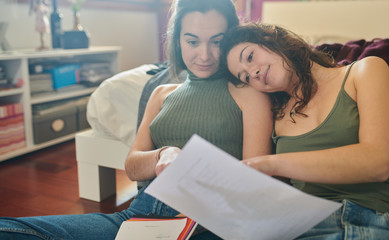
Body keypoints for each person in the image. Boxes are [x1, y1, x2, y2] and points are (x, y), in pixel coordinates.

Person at [0, 1, 273, 239]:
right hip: (143, 214)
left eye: (217, 41)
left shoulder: (249, 94)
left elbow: (253, 181)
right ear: (178, 40)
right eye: (192, 41)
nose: (204, 55)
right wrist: (164, 155)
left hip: (211, 222)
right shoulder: (160, 93)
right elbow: (132, 166)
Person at [221, 22, 389, 239]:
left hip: (379, 220)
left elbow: (378, 163)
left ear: (272, 40)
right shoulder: (276, 119)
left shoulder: (364, 71)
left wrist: (269, 164)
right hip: (305, 227)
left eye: (249, 57)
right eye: (245, 77)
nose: (253, 73)